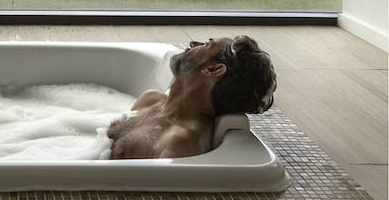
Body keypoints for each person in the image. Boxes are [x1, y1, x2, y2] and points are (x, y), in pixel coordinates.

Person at [107, 36, 276, 159]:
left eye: (207, 44)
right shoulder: (150, 100)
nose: (193, 44)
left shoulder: (181, 143)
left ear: (213, 70)